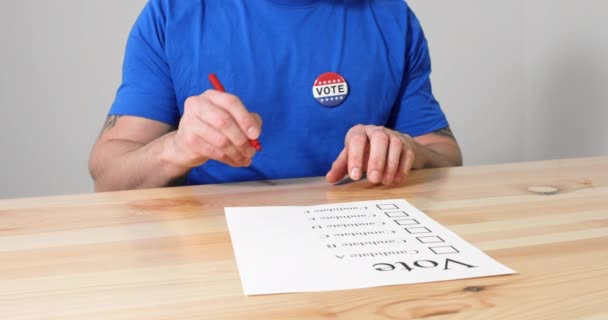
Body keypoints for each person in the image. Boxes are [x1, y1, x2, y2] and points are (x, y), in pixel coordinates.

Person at [89, 0, 462, 191]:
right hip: (213, 248)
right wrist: (176, 148)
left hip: (359, 238)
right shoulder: (172, 14)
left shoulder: (391, 17)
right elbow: (108, 174)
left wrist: (407, 150)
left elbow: (446, 156)